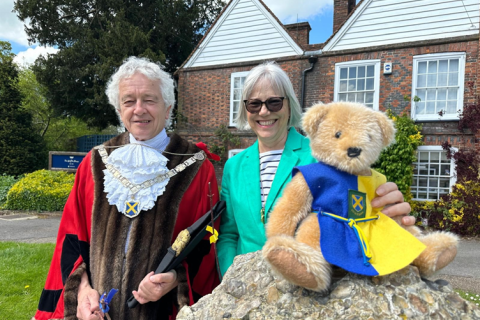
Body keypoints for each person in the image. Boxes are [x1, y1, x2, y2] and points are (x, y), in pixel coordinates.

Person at [34, 57, 220, 320]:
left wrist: (175, 279)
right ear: (119, 109)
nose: (139, 109)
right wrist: (83, 289)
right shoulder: (94, 162)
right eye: (129, 101)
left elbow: (207, 245)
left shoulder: (198, 168)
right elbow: (72, 236)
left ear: (168, 108)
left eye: (149, 99)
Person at [217, 61, 414, 276]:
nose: (263, 112)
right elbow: (229, 234)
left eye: (274, 102)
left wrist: (384, 206)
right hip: (247, 285)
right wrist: (231, 277)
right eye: (254, 104)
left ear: (289, 105)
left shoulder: (324, 156)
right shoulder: (233, 166)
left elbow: (356, 214)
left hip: (305, 283)